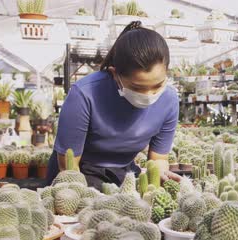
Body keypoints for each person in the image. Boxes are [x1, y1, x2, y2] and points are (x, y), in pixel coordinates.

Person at [47, 21, 181, 190]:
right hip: (79, 172)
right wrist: (77, 196)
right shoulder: (84, 94)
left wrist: (160, 174)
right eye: (137, 87)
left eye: (157, 85)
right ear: (114, 74)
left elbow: (159, 159)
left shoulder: (169, 100)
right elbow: (68, 165)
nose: (149, 95)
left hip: (123, 172)